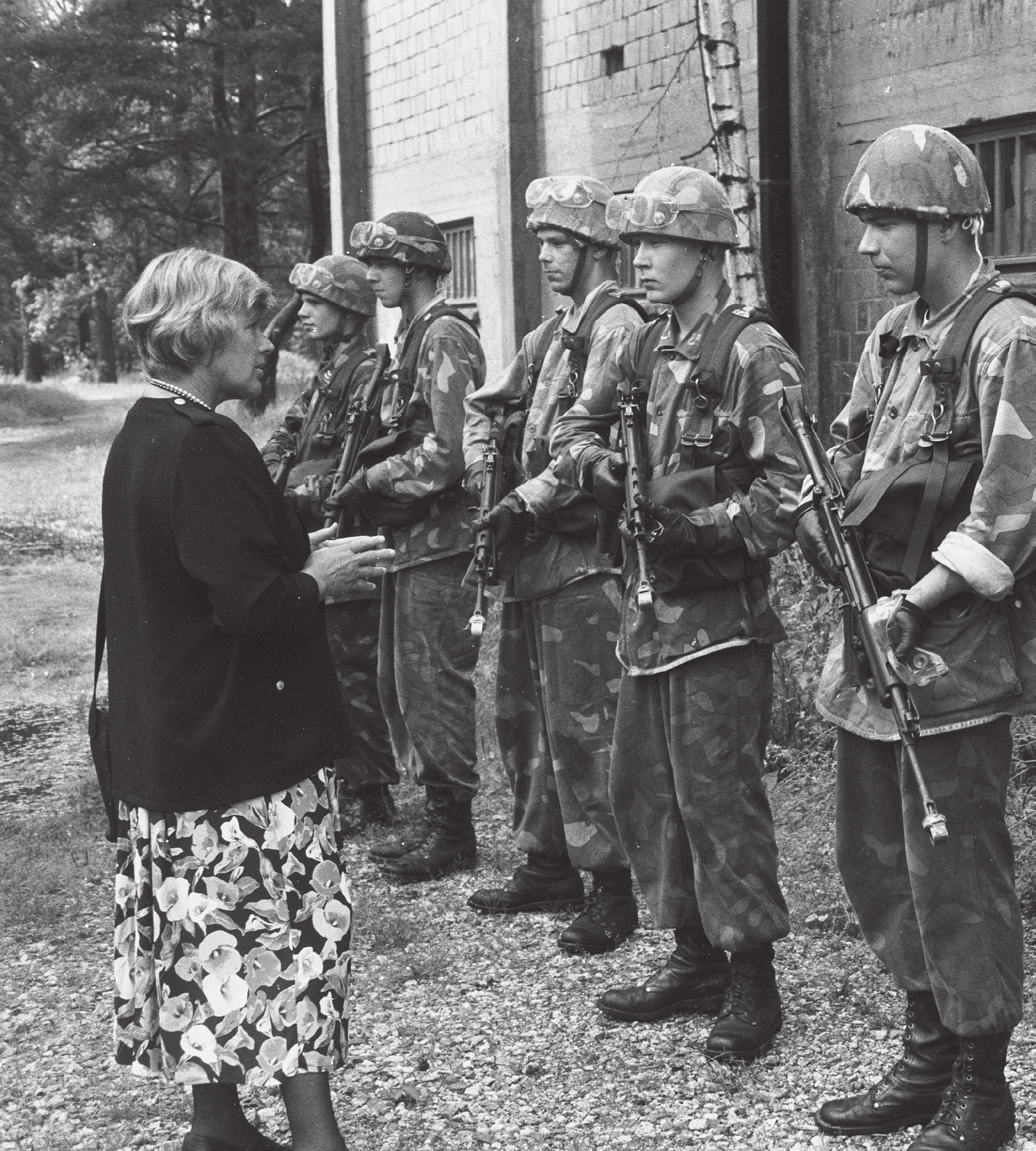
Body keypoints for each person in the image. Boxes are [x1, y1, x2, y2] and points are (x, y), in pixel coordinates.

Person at [103, 247, 393, 1151]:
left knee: (204, 945)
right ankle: (317, 1139)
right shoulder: (207, 444)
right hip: (244, 766)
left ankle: (218, 1126)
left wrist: (297, 540)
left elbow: (199, 567)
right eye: (252, 324)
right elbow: (253, 604)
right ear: (201, 333)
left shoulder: (146, 432)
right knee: (293, 938)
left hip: (175, 751)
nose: (267, 343)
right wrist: (321, 578)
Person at [797, 125, 1036, 1151]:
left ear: (946, 222)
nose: (867, 245)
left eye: (886, 221)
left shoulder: (1009, 334)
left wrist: (920, 599)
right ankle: (925, 1052)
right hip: (872, 645)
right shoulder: (894, 332)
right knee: (876, 856)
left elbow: (1012, 506)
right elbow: (850, 443)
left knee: (956, 868)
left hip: (955, 653)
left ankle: (981, 1090)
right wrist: (820, 506)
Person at [551, 166, 805, 1063]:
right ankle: (692, 953)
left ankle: (751, 979)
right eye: (634, 244)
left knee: (719, 799)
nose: (642, 260)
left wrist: (698, 527)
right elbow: (568, 431)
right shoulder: (640, 345)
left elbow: (791, 490)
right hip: (646, 618)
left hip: (721, 619)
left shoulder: (752, 352)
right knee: (647, 792)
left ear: (704, 250)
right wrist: (605, 474)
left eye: (656, 243)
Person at [462, 175, 643, 954]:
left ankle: (611, 882)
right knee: (523, 715)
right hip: (533, 556)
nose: (546, 256)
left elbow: (584, 436)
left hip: (582, 556)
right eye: (542, 242)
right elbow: (485, 401)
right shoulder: (551, 332)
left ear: (599, 247)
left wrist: (525, 500)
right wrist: (483, 472)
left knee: (585, 724)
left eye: (560, 243)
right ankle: (549, 857)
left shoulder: (618, 327)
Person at [328, 212, 487, 882]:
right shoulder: (411, 336)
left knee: (434, 684)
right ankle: (436, 814)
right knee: (405, 686)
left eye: (382, 265)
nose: (372, 277)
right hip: (410, 537)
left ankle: (455, 832)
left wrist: (372, 479)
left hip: (441, 539)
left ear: (416, 266)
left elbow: (448, 450)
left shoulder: (445, 333)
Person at [261, 254, 398, 829]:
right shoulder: (326, 375)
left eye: (317, 303)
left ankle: (373, 792)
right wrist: (267, 480)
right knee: (327, 665)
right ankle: (345, 781)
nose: (305, 313)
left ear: (348, 310)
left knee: (353, 669)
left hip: (348, 535)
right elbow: (284, 438)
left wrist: (289, 492)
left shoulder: (369, 373)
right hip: (314, 531)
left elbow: (362, 464)